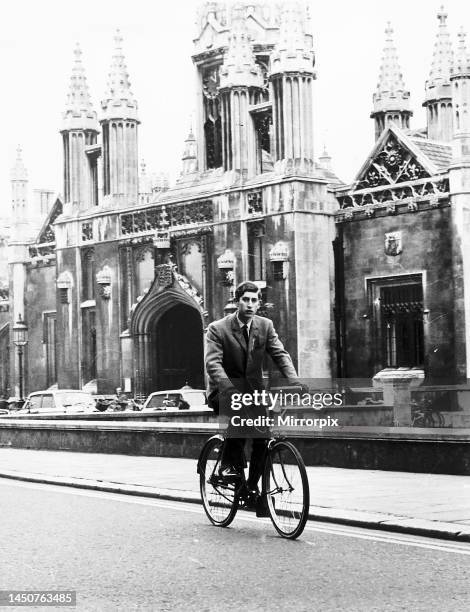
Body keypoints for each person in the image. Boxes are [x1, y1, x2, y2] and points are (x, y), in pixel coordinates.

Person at [205, 280, 304, 510]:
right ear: (237, 301)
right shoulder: (217, 329)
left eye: (254, 300)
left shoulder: (265, 325)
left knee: (262, 438)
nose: (250, 305)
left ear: (259, 303)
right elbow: (213, 365)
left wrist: (295, 380)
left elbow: (280, 354)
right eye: (245, 300)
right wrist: (229, 389)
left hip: (253, 392)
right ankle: (228, 466)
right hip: (223, 391)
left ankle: (252, 489)